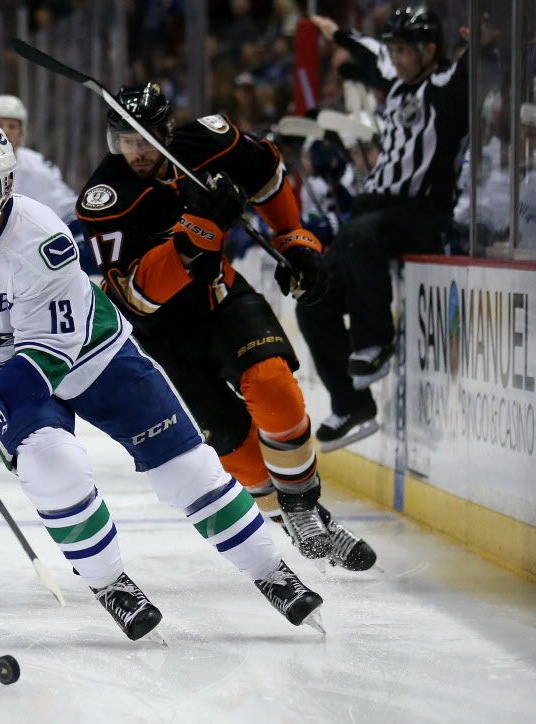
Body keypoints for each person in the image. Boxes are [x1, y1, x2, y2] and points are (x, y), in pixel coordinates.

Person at [0, 126, 324, 641]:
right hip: (7, 369)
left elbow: (43, 361)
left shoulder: (40, 239)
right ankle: (109, 582)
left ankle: (270, 571)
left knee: (186, 470)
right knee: (55, 469)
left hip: (94, 357)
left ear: (6, 187)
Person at [77, 83, 376, 570]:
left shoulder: (209, 141)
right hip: (163, 339)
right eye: (126, 141)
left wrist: (295, 239)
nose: (135, 152)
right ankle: (305, 517)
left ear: (165, 133)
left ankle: (300, 505)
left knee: (273, 384)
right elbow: (139, 297)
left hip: (220, 296)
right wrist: (199, 228)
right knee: (238, 453)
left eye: (144, 139)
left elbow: (267, 173)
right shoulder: (106, 198)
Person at [297, 9, 470, 450]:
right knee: (312, 298)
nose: (394, 56)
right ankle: (351, 402)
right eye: (393, 48)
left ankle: (374, 343)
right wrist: (341, 35)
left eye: (403, 49)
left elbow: (477, 70)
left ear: (429, 51)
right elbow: (372, 54)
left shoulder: (446, 87)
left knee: (359, 235)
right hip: (374, 214)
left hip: (422, 212)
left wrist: (484, 41)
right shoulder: (395, 85)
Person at [0, 95, 99, 275]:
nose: (4, 132)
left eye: (12, 126)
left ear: (22, 133)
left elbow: (68, 212)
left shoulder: (39, 169)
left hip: (32, 257)